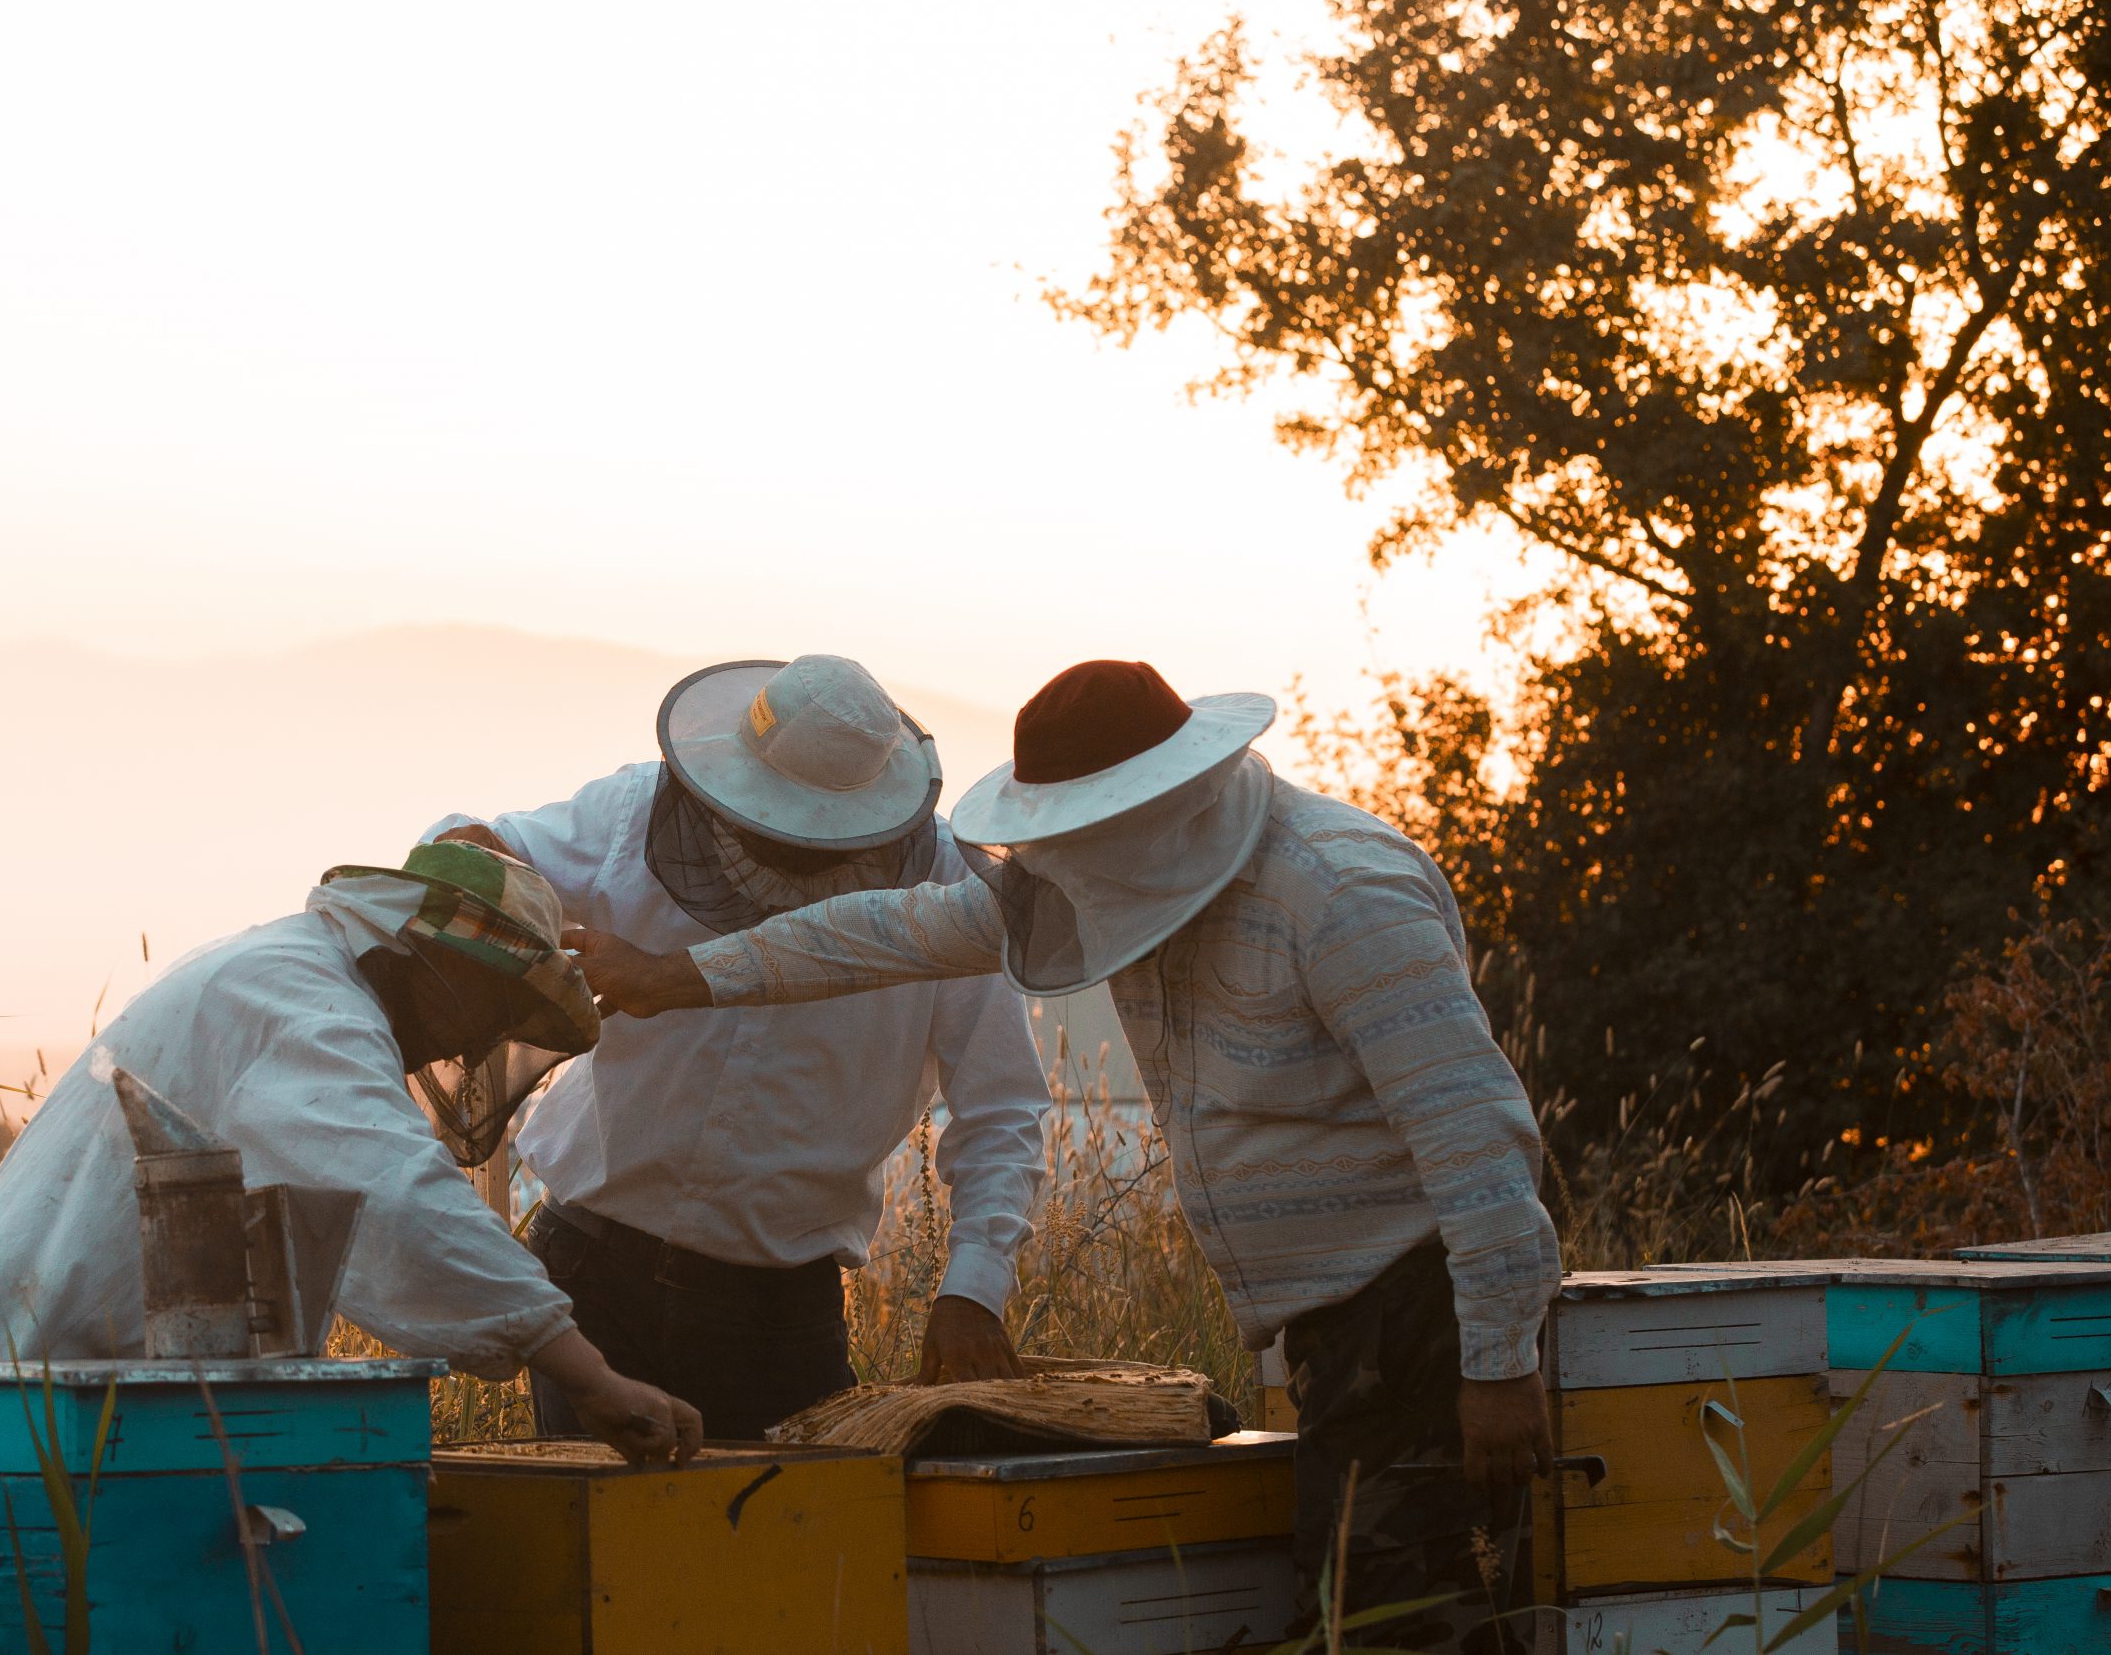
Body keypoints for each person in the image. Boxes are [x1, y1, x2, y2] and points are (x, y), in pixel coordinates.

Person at [573, 659, 1563, 1648]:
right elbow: (886, 930)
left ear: (1160, 803)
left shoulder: (1342, 892)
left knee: (1395, 1626)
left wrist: (1497, 1363)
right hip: (1345, 1330)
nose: (1064, 861)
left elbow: (1475, 1136)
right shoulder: (1112, 874)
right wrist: (680, 976)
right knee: (1368, 1614)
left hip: (1417, 1314)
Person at [0, 839, 702, 1466]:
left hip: (49, 1374)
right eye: (490, 1012)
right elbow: (399, 1195)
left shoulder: (287, 969)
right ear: (442, 965)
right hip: (14, 1389)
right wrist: (590, 1377)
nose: (473, 1046)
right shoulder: (306, 1010)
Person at [424, 653, 1049, 1441]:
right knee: (595, 1521)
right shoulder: (634, 812)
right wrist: (483, 867)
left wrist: (973, 1288)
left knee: (785, 1525)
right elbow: (474, 849)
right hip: (592, 1271)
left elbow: (1002, 1107)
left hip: (777, 1318)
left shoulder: (954, 891)